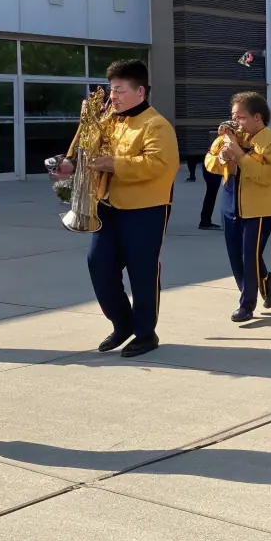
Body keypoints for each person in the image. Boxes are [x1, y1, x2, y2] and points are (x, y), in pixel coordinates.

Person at [53, 60, 178, 358]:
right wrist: (70, 165)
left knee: (142, 272)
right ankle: (122, 324)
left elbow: (161, 166)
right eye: (112, 90)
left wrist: (115, 164)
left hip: (145, 210)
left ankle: (145, 333)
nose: (114, 97)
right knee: (99, 266)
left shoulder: (156, 125)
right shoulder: (109, 120)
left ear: (141, 91)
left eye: (120, 90)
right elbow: (90, 151)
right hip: (107, 207)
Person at [204, 92, 271, 322]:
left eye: (240, 117)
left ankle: (246, 304)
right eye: (233, 116)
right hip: (230, 205)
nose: (234, 122)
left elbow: (267, 177)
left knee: (250, 255)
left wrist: (240, 155)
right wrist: (223, 158)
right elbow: (209, 163)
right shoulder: (229, 137)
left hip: (259, 209)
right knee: (236, 257)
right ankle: (262, 280)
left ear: (256, 117)